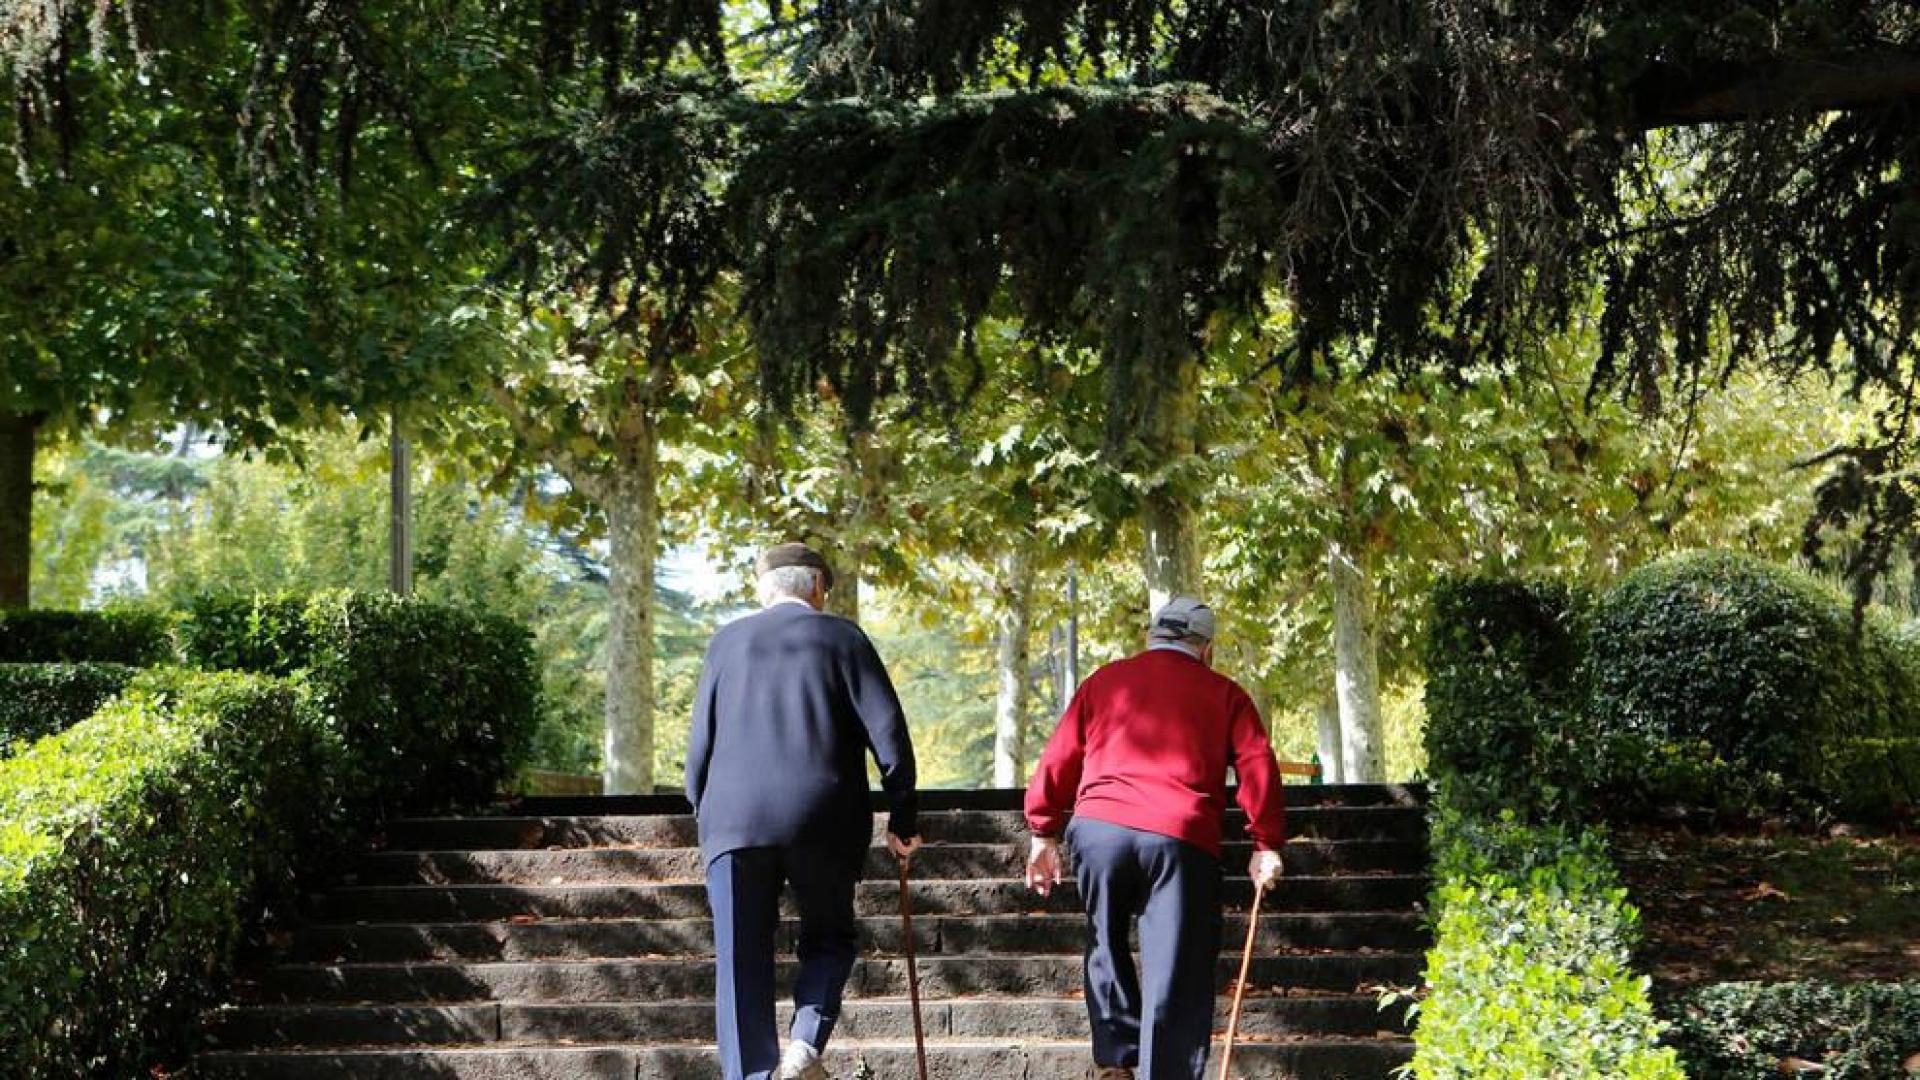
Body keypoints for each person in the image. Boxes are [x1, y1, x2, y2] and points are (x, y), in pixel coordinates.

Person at [1024, 596, 1288, 1080]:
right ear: (1206, 648)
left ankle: (1118, 1059)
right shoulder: (1226, 693)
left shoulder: (1104, 681)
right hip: (1179, 835)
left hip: (1099, 829)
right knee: (1177, 966)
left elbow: (1059, 755)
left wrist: (1043, 830)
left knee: (1104, 941)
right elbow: (1256, 763)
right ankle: (1163, 1072)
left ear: (1151, 636)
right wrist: (1265, 841)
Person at [686, 542, 921, 1080]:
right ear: (818, 587)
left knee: (739, 957)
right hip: (822, 816)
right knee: (829, 935)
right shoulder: (843, 637)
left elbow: (698, 746)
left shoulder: (726, 642)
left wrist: (702, 812)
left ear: (761, 590)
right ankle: (804, 1045)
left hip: (732, 821)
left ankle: (751, 1075)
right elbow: (890, 738)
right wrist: (903, 819)